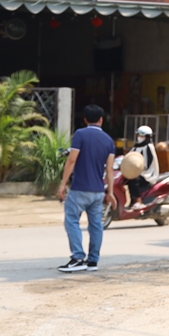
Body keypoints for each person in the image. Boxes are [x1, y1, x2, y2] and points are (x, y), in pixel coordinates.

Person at [57, 104, 116, 273]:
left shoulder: (80, 134)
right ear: (101, 120)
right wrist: (110, 192)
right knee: (96, 225)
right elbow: (110, 169)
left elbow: (71, 160)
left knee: (71, 221)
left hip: (80, 189)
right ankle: (92, 261)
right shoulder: (108, 141)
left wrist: (62, 184)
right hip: (98, 191)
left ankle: (77, 258)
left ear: (85, 120)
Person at [122, 126, 160, 209]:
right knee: (126, 179)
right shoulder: (136, 146)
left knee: (134, 180)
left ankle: (139, 202)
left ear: (147, 137)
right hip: (136, 172)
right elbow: (129, 157)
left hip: (147, 173)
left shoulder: (149, 147)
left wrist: (139, 168)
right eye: (138, 135)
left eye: (142, 136)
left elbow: (149, 162)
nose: (139, 138)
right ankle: (132, 201)